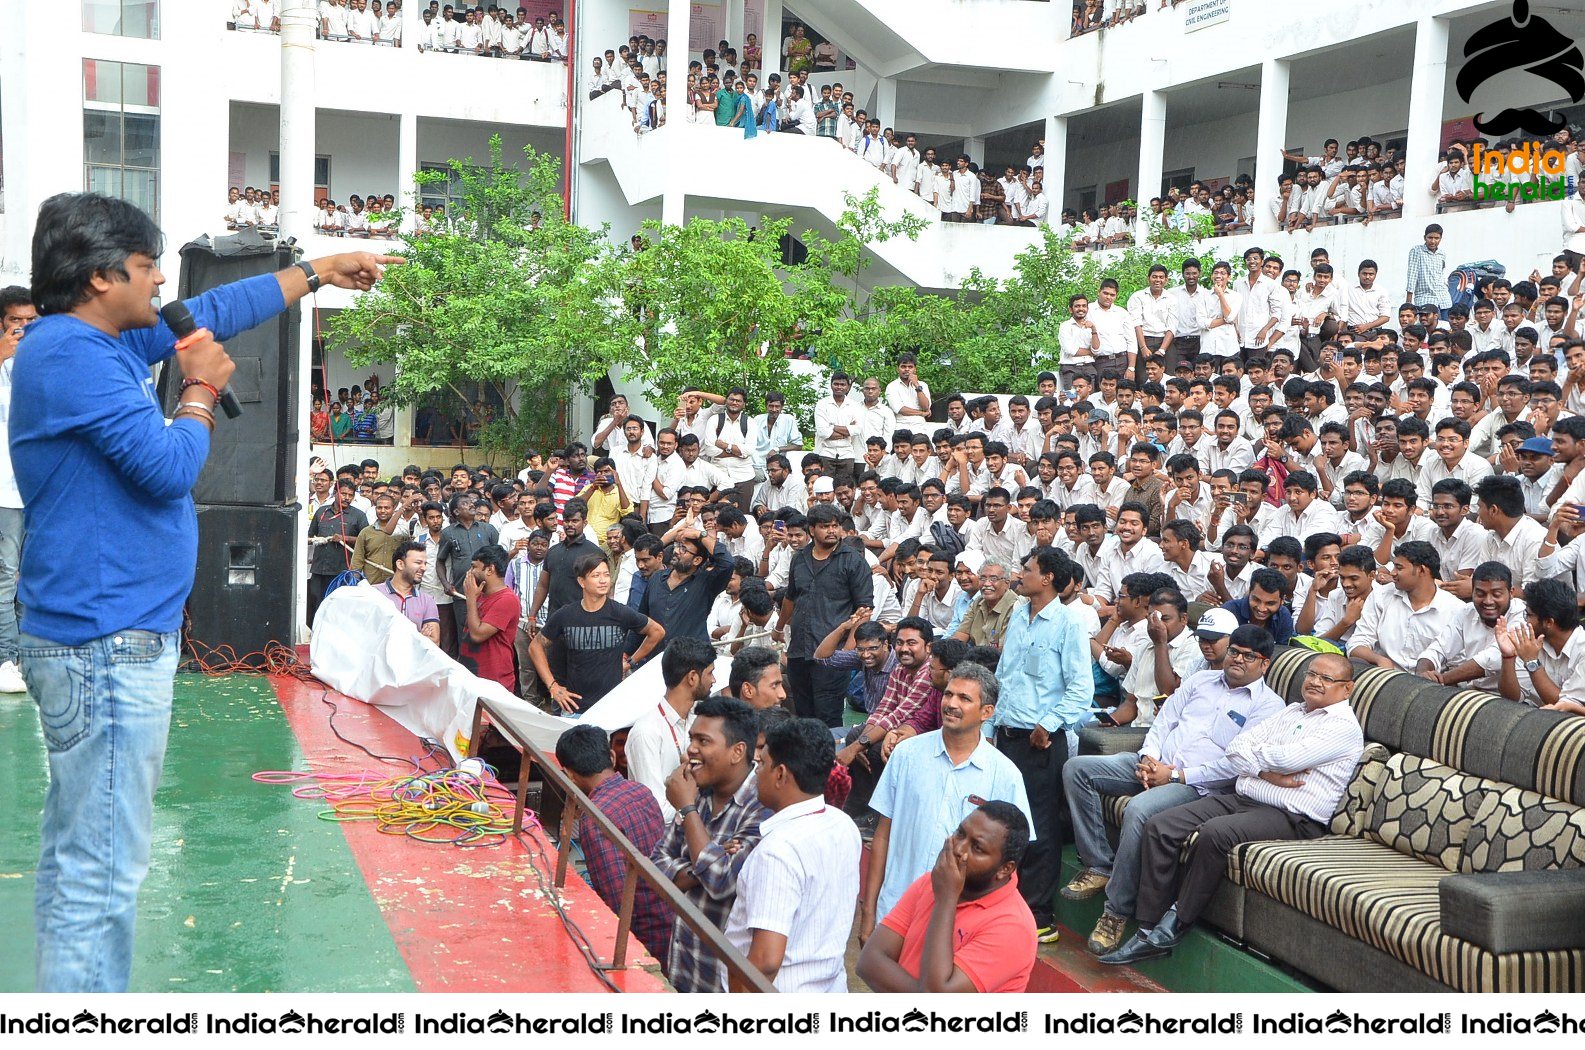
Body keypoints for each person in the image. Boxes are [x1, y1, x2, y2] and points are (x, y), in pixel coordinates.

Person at [11, 191, 399, 991]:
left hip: (100, 632)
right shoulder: (75, 356)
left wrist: (316, 271)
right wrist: (197, 394)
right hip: (105, 639)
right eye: (148, 268)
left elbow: (215, 307)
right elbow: (167, 469)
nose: (160, 282)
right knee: (103, 873)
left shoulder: (94, 338)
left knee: (80, 857)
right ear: (99, 276)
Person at [1102, 653, 1363, 965]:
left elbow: (1290, 759)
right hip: (1246, 798)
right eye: (1312, 674)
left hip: (1292, 816)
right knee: (1160, 825)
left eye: (1327, 679)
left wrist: (1257, 761)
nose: (1315, 682)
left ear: (1346, 689)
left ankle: (1176, 923)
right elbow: (1235, 748)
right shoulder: (1293, 711)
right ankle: (1146, 928)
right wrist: (1265, 771)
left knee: (1215, 833)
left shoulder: (1343, 727)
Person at [1061, 625, 1285, 955]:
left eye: (1249, 656)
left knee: (1139, 810)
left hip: (1198, 786)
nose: (1238, 659)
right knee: (1077, 769)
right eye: (1234, 651)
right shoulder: (1200, 681)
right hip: (1155, 763)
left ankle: (1116, 912)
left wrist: (1176, 776)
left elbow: (1235, 764)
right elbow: (1165, 720)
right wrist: (1149, 756)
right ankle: (1099, 865)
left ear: (1264, 664)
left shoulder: (1269, 707)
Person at [859, 662, 1032, 944]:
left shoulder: (1006, 775)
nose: (951, 704)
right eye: (948, 694)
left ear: (987, 712)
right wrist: (869, 913)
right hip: (895, 911)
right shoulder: (906, 755)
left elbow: (1010, 863)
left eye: (964, 698)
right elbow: (882, 837)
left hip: (958, 925)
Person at [991, 547, 1094, 942]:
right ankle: (1005, 904)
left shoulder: (1068, 624)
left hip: (1042, 742)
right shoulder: (1019, 613)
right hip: (1007, 733)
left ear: (1048, 577)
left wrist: (1047, 724)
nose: (1021, 574)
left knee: (1040, 827)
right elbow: (1006, 673)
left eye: (1028, 569)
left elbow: (1080, 690)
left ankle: (1039, 916)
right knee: (1005, 819)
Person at [724, 716, 861, 992]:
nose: (755, 774)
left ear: (781, 774)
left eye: (760, 764)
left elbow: (765, 961)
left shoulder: (778, 851)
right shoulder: (843, 824)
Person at [650, 696, 769, 993]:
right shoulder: (699, 791)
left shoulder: (763, 805)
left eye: (703, 741)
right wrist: (704, 864)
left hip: (724, 982)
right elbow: (657, 862)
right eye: (692, 738)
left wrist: (687, 810)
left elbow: (721, 882)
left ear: (737, 751)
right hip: (685, 965)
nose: (691, 749)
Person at [857, 802, 1038, 993]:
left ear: (1005, 868)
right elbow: (869, 961)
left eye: (977, 847)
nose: (959, 849)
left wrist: (946, 900)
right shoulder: (930, 883)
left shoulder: (1013, 926)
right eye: (960, 833)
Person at [554, 724, 675, 964]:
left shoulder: (595, 818)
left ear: (568, 774)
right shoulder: (642, 791)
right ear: (611, 756)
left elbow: (618, 901)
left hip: (645, 938)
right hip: (671, 922)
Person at [530, 550, 664, 715]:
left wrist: (630, 662)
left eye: (606, 575)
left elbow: (657, 631)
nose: (603, 580)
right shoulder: (566, 615)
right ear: (581, 582)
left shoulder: (620, 613)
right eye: (595, 575)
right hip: (575, 707)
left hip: (611, 708)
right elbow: (535, 646)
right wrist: (553, 686)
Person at [776, 503, 873, 726]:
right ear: (811, 530)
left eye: (835, 526)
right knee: (803, 715)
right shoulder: (799, 558)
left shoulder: (853, 561)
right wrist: (778, 628)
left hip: (832, 654)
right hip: (799, 649)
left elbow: (864, 610)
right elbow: (790, 598)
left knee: (828, 717)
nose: (832, 530)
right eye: (825, 526)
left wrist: (847, 652)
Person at [627, 635, 716, 819]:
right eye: (710, 673)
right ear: (692, 678)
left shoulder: (699, 721)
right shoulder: (646, 732)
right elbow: (656, 810)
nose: (714, 680)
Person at [0, 285, 36, 693]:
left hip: (40, 487)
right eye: (16, 321)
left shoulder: (44, 362)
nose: (24, 329)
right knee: (6, 576)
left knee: (35, 576)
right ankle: (6, 659)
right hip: (5, 489)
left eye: (31, 322)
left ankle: (31, 658)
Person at [459, 544, 520, 692]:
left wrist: (470, 599)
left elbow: (477, 635)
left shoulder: (507, 600)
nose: (470, 572)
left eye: (474, 567)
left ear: (490, 569)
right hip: (472, 675)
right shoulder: (479, 594)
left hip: (494, 681)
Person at [308, 478, 368, 624]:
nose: (347, 498)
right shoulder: (322, 512)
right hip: (319, 569)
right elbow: (311, 535)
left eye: (350, 495)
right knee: (317, 603)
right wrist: (316, 539)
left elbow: (365, 540)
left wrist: (344, 538)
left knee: (339, 608)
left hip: (342, 571)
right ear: (335, 493)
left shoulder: (358, 515)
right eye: (344, 494)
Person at [377, 539, 441, 645]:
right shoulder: (375, 593)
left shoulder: (427, 601)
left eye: (425, 563)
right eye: (418, 563)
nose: (424, 568)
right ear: (400, 564)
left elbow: (434, 642)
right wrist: (418, 637)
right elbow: (369, 634)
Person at [350, 491, 402, 584]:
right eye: (379, 508)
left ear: (394, 509)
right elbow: (357, 560)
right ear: (375, 508)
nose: (382, 511)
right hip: (371, 584)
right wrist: (353, 581)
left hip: (395, 584)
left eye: (387, 508)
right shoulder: (366, 532)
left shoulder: (401, 531)